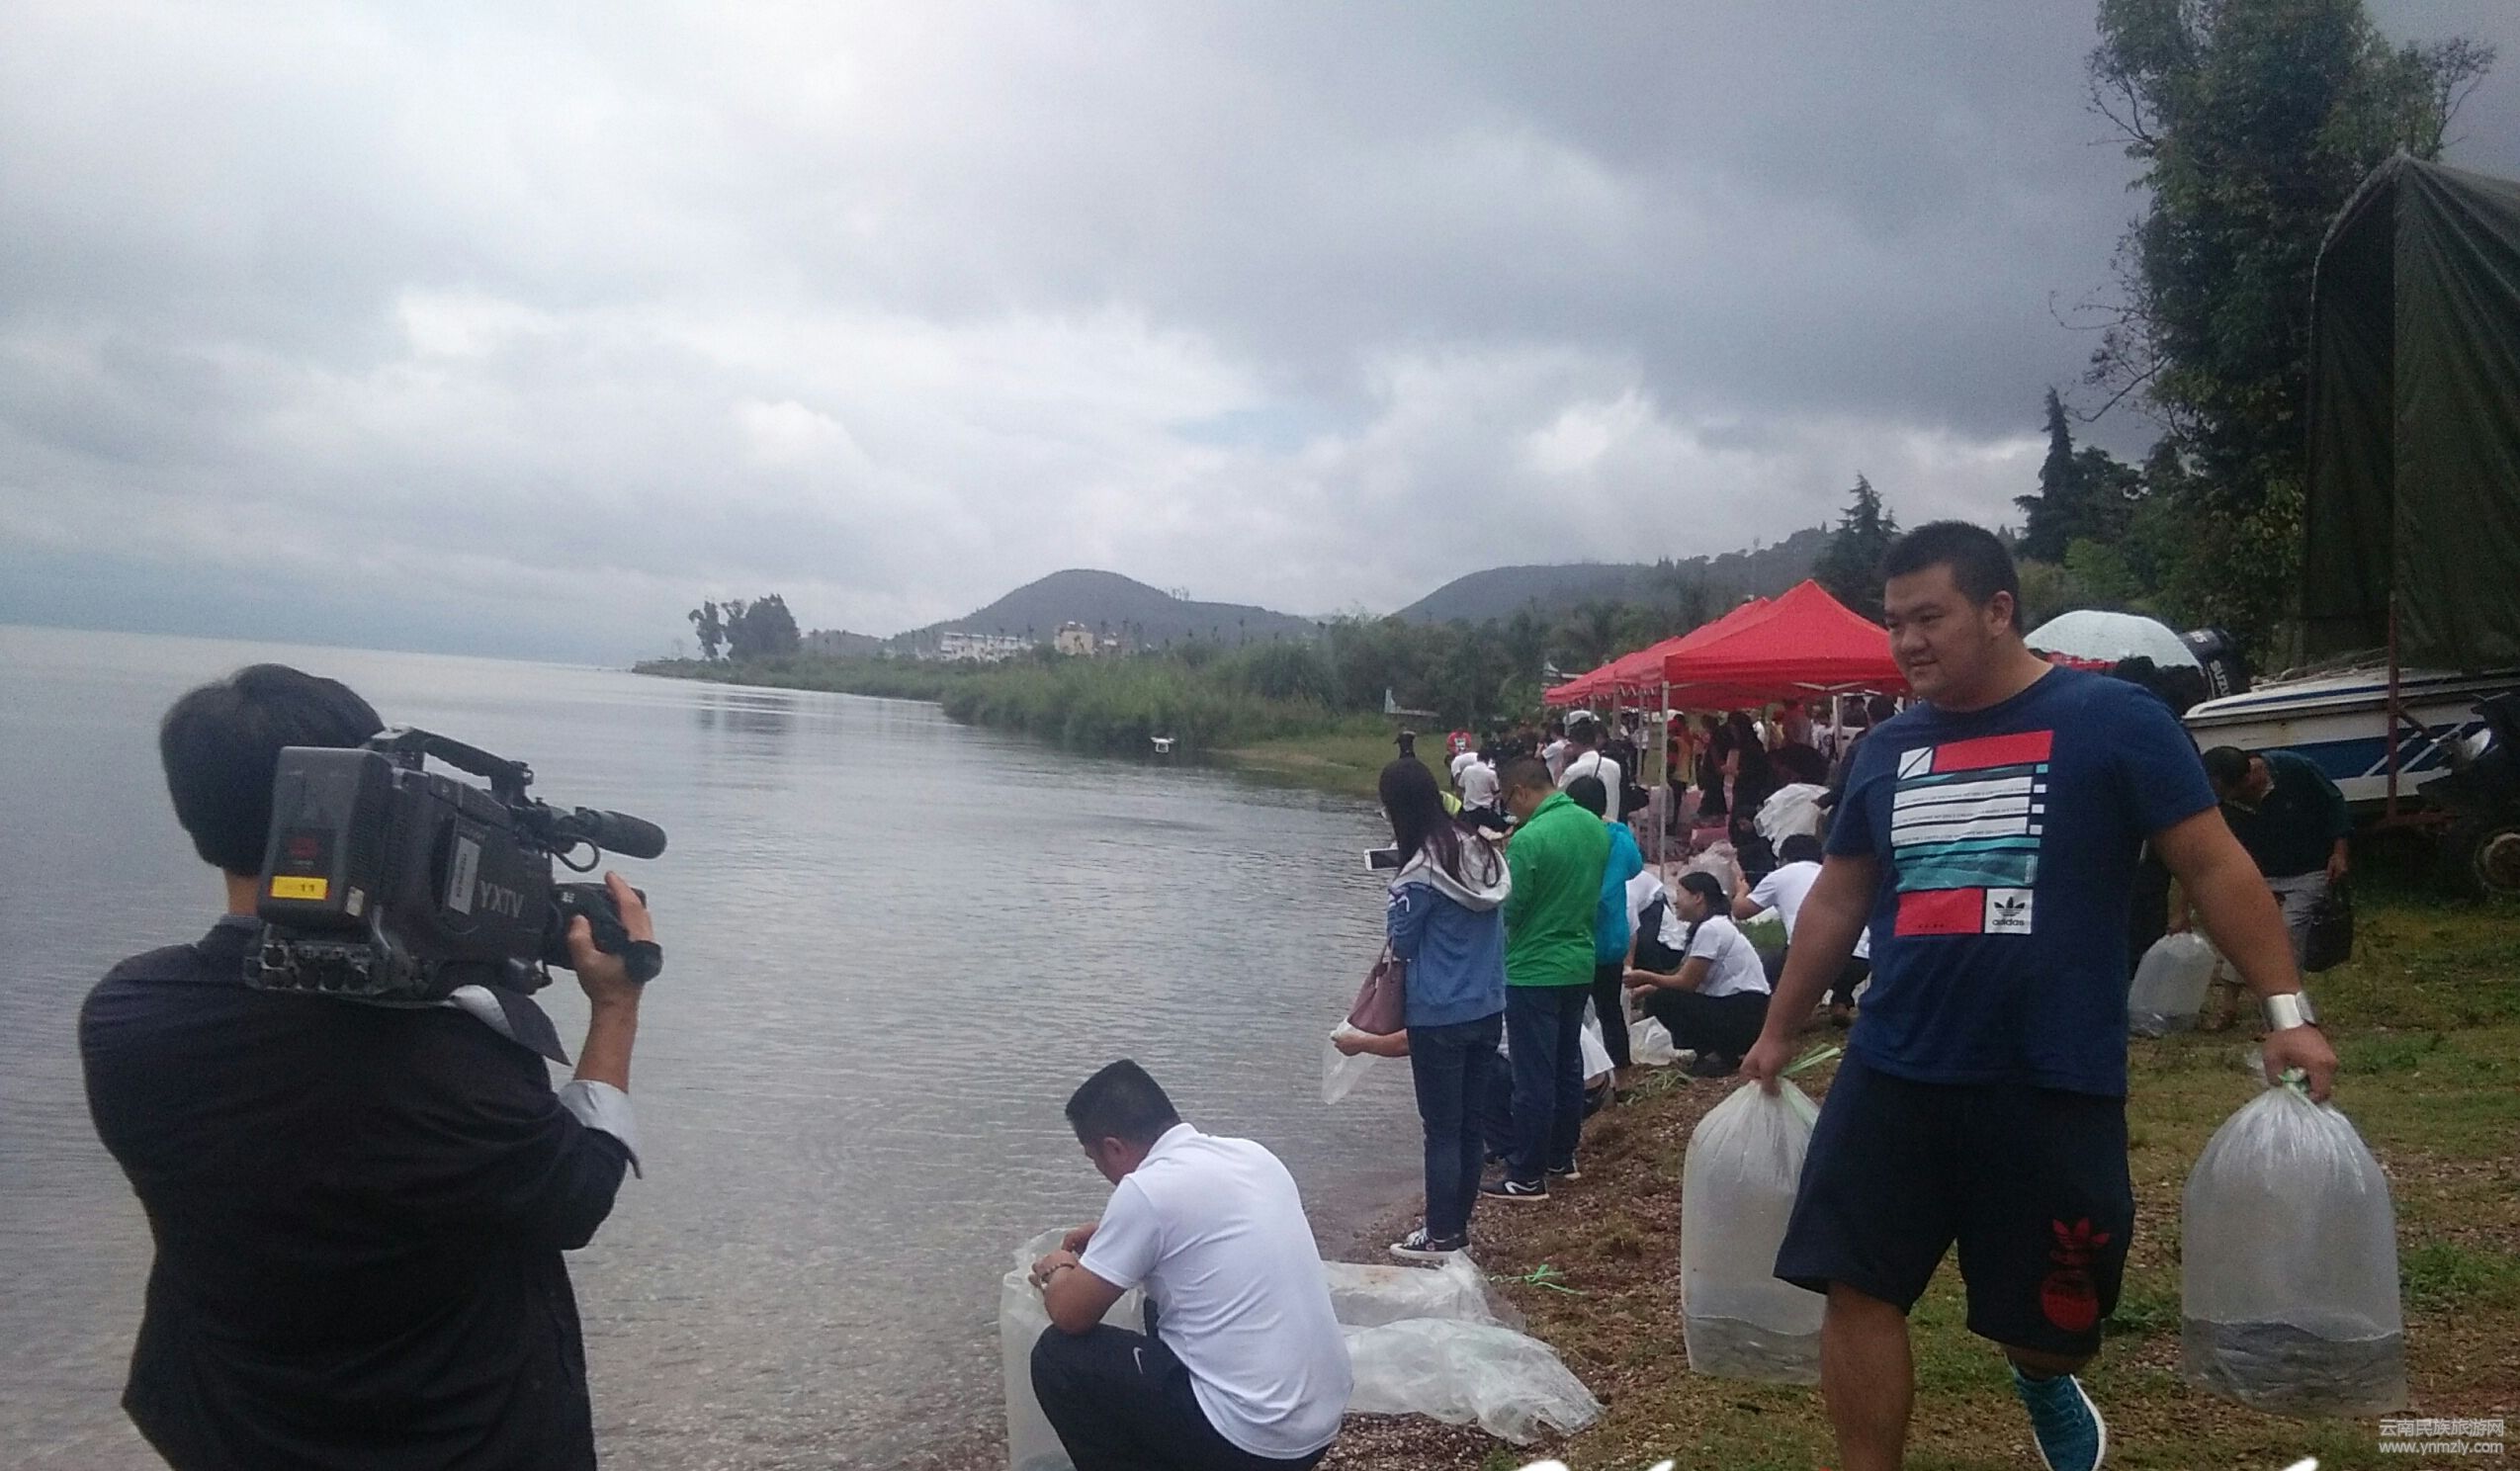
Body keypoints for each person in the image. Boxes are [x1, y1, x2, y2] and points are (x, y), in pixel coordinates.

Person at [1740, 522, 2339, 1471]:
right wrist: (1776, 1029)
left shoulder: (2113, 720)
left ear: (1997, 610)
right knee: (1854, 1285)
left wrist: (2287, 1015)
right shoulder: (1886, 749)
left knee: (2053, 1326)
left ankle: (2042, 1376)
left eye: (1928, 618)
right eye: (1893, 623)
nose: (1906, 643)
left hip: (2050, 1074)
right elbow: (1839, 897)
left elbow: (2214, 866)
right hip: (1895, 1066)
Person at [79, 664, 652, 1469]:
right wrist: (615, 1006)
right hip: (464, 1443)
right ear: (372, 797)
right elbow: (573, 1195)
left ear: (194, 814)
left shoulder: (127, 1014)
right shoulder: (444, 1051)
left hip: (231, 1432)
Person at [1030, 1062, 1351, 1471]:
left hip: (1253, 1441)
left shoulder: (1146, 1190)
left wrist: (1056, 1268)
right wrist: (1114, 1235)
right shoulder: (1252, 1155)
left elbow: (1070, 1314)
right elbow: (1199, 1231)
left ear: (1113, 1147)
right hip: (1319, 1423)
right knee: (1157, 1304)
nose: (1104, 1174)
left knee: (1057, 1357)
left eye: (1097, 1161)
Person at [1376, 759, 1510, 1260]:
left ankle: (1438, 1234)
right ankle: (1457, 1229)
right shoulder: (1482, 852)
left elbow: (1402, 941)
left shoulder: (1420, 872)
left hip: (1438, 1014)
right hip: (1487, 1007)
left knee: (1442, 1130)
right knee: (1471, 1125)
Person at [1485, 758, 1609, 1201]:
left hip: (1534, 968)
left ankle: (1526, 1174)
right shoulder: (1595, 827)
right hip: (1579, 961)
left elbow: (1512, 908)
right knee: (1566, 1064)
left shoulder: (1530, 838)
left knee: (1532, 1076)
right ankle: (1561, 1157)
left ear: (1520, 791)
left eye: (1508, 801)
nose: (1509, 811)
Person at [2193, 745, 2352, 964]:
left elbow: (2334, 803)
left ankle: (2286, 983)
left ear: (2248, 779)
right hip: (2258, 874)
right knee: (2241, 934)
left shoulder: (2295, 768)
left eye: (2228, 794)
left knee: (2287, 932)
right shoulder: (2223, 798)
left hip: (2308, 871)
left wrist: (2339, 853)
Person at [1622, 870, 1771, 1075]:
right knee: (1661, 995)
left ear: (1698, 897)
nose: (1675, 902)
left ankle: (1717, 1051)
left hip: (1741, 1011)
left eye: (1680, 894)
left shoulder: (1711, 929)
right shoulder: (1714, 925)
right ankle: (1715, 1051)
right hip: (1745, 1008)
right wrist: (1648, 987)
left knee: (1663, 1001)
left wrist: (1646, 977)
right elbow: (1692, 977)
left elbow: (1687, 983)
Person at [1738, 833, 1869, 1027]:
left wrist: (1741, 890)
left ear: (1783, 859)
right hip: (1861, 959)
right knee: (1838, 955)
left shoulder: (1781, 875)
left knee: (1772, 963)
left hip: (1813, 957)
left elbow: (1741, 911)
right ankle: (1841, 1002)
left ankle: (1793, 1014)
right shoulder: (1831, 874)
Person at [1565, 774, 1643, 1073]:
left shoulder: (1569, 838)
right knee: (1610, 1010)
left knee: (1571, 1014)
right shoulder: (1618, 838)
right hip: (1612, 939)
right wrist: (1617, 825)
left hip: (1576, 937)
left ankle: (1581, 1073)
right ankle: (1622, 1075)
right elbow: (1635, 867)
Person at [1558, 711, 1624, 825]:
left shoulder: (1573, 771)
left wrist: (1563, 763)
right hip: (1611, 825)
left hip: (1584, 827)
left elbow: (1559, 798)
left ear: (1575, 743)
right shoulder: (1614, 766)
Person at [1457, 741, 1507, 835]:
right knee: (1505, 828)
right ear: (1488, 760)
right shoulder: (1490, 773)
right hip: (1485, 812)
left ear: (1477, 757)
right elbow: (1497, 791)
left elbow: (1461, 786)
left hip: (1468, 812)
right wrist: (1491, 798)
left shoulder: (1467, 770)